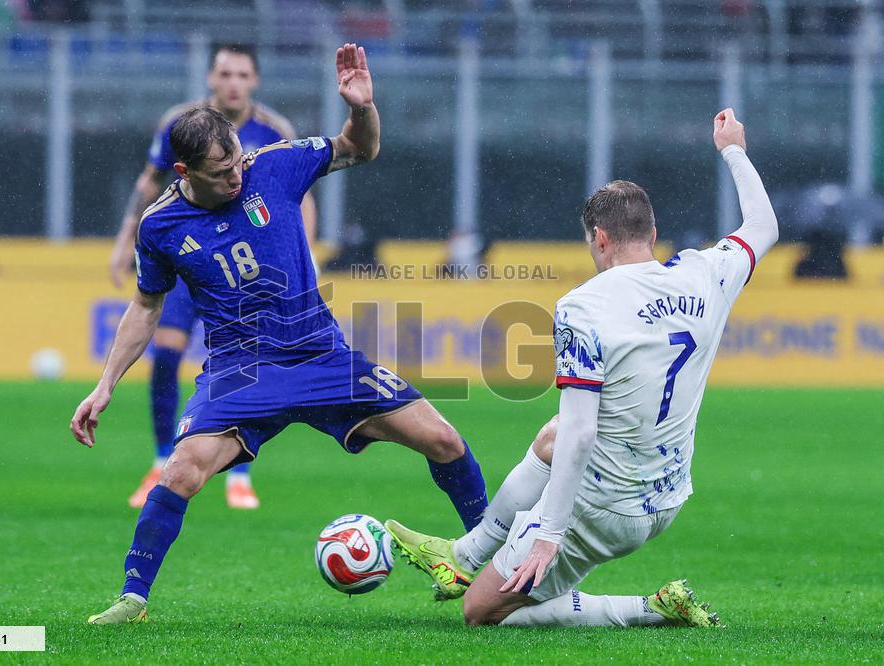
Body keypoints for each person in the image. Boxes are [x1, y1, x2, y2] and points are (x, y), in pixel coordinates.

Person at [72, 43, 489, 625]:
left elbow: (359, 148)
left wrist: (363, 108)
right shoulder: (160, 225)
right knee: (182, 471)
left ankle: (496, 565)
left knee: (443, 439)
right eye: (222, 173)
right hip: (241, 371)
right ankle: (133, 598)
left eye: (239, 161)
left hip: (321, 354)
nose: (238, 176)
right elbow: (145, 307)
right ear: (184, 172)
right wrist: (104, 385)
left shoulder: (274, 161)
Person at [387, 108, 778, 628]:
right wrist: (733, 148)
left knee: (481, 613)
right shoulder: (705, 273)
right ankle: (463, 556)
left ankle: (652, 608)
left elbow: (582, 429)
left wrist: (549, 532)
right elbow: (764, 225)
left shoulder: (583, 306)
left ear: (599, 238)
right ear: (653, 231)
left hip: (604, 509)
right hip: (668, 496)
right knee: (549, 438)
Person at [110, 43, 318, 510]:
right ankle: (162, 460)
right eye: (225, 73)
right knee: (164, 353)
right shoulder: (180, 126)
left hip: (250, 268)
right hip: (188, 260)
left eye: (242, 74)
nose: (233, 83)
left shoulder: (273, 130)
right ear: (210, 78)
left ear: (255, 81)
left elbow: (299, 196)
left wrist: (304, 256)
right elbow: (150, 182)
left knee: (247, 362)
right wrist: (126, 238)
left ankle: (238, 473)